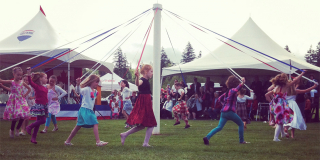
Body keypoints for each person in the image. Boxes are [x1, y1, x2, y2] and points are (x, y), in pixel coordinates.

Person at [203, 76, 249, 145]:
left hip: (223, 112)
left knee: (219, 127)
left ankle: (207, 137)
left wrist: (224, 105)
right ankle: (241, 141)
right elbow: (237, 89)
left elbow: (219, 99)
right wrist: (243, 82)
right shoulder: (232, 90)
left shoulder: (227, 92)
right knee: (241, 124)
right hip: (230, 112)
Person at [65, 75, 108, 146]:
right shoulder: (87, 89)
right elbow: (79, 91)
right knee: (95, 123)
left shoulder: (95, 91)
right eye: (96, 82)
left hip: (87, 110)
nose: (97, 83)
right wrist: (78, 84)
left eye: (98, 82)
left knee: (78, 126)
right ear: (91, 81)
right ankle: (98, 142)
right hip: (85, 109)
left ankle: (67, 141)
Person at [120, 64, 157, 147]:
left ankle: (125, 134)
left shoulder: (145, 80)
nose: (152, 73)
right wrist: (136, 77)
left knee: (143, 125)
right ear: (146, 72)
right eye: (151, 71)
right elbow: (137, 84)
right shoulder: (142, 80)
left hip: (146, 103)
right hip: (144, 103)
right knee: (151, 123)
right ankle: (145, 143)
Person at [265, 72, 305, 141]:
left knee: (281, 120)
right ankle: (275, 138)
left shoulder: (276, 87)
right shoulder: (285, 86)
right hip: (281, 106)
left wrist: (271, 102)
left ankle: (283, 133)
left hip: (276, 105)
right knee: (280, 122)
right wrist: (302, 73)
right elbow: (295, 80)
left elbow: (266, 95)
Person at [1, 67, 31, 138]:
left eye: (20, 75)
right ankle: (12, 130)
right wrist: (2, 85)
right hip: (14, 101)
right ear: (13, 74)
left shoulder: (22, 82)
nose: (19, 77)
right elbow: (2, 81)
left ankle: (17, 129)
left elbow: (29, 89)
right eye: (18, 75)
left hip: (21, 100)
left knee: (23, 116)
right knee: (15, 117)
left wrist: (25, 95)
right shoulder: (11, 82)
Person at [25, 67, 48, 144]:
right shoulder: (37, 87)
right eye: (45, 78)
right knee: (43, 120)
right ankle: (29, 126)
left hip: (44, 106)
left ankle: (33, 138)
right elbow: (30, 82)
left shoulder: (44, 87)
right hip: (39, 106)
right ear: (40, 79)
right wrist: (29, 73)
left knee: (38, 122)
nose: (46, 79)